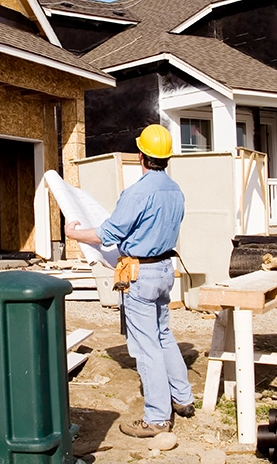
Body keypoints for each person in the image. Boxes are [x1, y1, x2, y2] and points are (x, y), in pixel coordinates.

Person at [65, 124, 195, 437]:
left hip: (141, 273)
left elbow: (107, 235)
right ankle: (183, 399)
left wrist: (73, 233)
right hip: (165, 269)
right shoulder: (175, 190)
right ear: (165, 157)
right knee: (163, 334)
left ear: (141, 155)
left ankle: (157, 418)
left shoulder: (137, 192)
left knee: (146, 344)